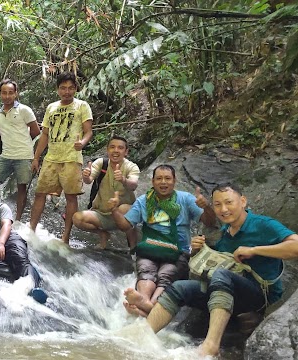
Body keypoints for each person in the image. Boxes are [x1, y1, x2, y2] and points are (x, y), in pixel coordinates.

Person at [145, 183, 298, 357]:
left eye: (228, 202)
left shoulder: (263, 224)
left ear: (243, 201)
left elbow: (296, 246)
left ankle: (210, 346)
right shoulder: (225, 231)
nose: (223, 209)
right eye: (217, 204)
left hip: (258, 297)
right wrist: (195, 250)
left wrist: (254, 250)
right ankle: (143, 336)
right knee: (180, 287)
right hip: (226, 292)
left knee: (222, 275)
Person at [111, 164, 216, 317]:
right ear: (153, 182)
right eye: (159, 178)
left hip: (178, 251)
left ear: (174, 181)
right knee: (146, 270)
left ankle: (147, 307)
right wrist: (114, 210)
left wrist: (206, 207)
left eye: (167, 178)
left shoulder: (185, 199)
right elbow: (125, 226)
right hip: (149, 249)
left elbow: (210, 222)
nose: (163, 182)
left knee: (166, 274)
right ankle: (146, 302)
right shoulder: (143, 201)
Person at [29, 72, 94, 244]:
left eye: (71, 88)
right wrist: (36, 158)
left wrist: (83, 142)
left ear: (75, 89)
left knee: (71, 196)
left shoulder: (82, 106)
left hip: (71, 158)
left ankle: (65, 236)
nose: (67, 92)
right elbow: (44, 135)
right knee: (40, 193)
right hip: (51, 157)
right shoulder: (51, 108)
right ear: (58, 89)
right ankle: (31, 229)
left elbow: (88, 131)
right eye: (63, 88)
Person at [0, 79, 41, 221]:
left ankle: (17, 220)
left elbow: (36, 131)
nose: (7, 96)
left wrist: (29, 148)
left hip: (24, 155)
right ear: (0, 94)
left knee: (22, 187)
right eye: (4, 93)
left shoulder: (24, 110)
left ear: (16, 94)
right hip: (6, 155)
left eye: (10, 93)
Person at [72, 136, 140, 250]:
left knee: (125, 209)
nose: (116, 150)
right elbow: (89, 180)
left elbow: (133, 185)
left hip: (122, 213)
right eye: (112, 147)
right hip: (102, 213)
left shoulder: (131, 167)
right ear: (107, 150)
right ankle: (103, 234)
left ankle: (133, 248)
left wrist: (123, 179)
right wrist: (86, 176)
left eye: (120, 148)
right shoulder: (101, 163)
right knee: (77, 218)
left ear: (126, 152)